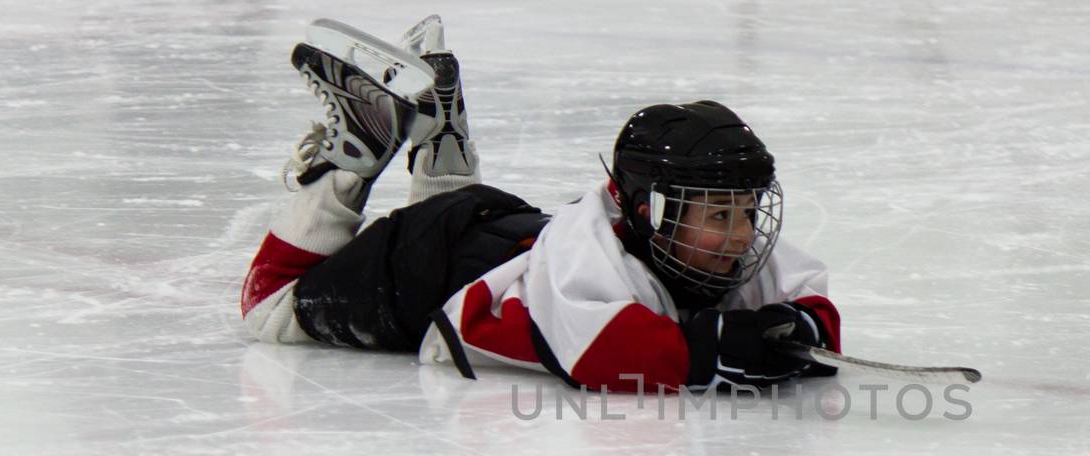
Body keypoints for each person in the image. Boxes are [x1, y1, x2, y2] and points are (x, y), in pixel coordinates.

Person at [240, 16, 841, 393]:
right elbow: (605, 353)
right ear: (646, 213)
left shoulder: (706, 242)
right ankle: (351, 156)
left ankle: (443, 136)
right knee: (267, 310)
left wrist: (801, 327)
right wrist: (719, 347)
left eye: (746, 211)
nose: (742, 235)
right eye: (718, 216)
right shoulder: (594, 259)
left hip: (486, 228)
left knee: (455, 220)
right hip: (416, 270)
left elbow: (810, 296)